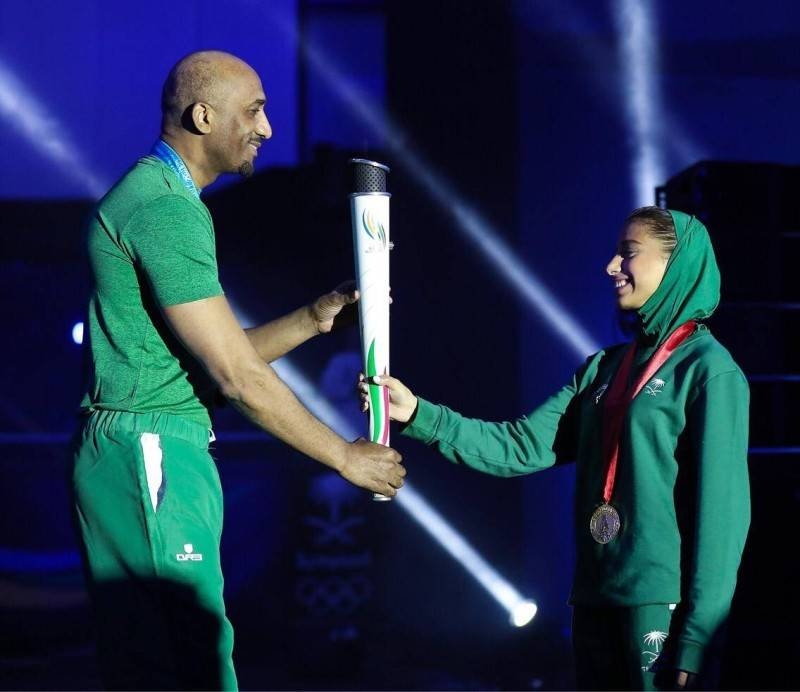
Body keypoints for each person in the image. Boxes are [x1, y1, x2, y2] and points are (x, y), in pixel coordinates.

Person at [71, 50, 405, 691]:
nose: (268, 128)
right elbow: (233, 375)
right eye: (254, 110)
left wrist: (315, 315)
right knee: (190, 660)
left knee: (160, 661)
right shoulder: (163, 209)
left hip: (151, 443)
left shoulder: (164, 198)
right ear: (203, 115)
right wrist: (345, 456)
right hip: (150, 447)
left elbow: (209, 355)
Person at [361, 207, 750, 691]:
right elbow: (520, 446)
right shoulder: (603, 369)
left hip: (660, 607)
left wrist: (697, 636)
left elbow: (723, 520)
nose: (611, 265)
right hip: (592, 599)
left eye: (628, 253)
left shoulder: (709, 370)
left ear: (677, 264)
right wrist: (419, 413)